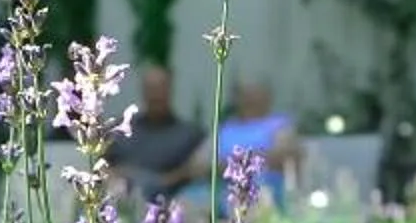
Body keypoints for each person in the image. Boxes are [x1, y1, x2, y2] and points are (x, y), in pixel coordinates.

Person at [105, 65, 206, 197]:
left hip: (167, 199)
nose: (156, 94)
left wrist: (162, 181)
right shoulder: (121, 127)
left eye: (160, 88)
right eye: (151, 88)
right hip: (119, 195)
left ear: (170, 89)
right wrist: (116, 175)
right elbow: (100, 161)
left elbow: (197, 169)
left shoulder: (188, 134)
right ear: (143, 90)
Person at [213, 77, 305, 215]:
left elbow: (283, 156)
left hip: (266, 187)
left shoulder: (279, 124)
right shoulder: (226, 128)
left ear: (267, 98)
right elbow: (204, 165)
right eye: (246, 96)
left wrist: (235, 163)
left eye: (255, 95)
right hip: (223, 189)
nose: (250, 100)